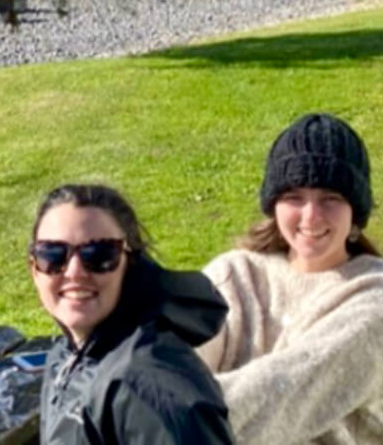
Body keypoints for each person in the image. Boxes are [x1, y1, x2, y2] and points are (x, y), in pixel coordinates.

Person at [197, 113, 383, 444]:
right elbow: (173, 357)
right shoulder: (234, 275)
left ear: (355, 211)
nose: (311, 216)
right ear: (273, 205)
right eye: (293, 197)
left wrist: (172, 415)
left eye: (331, 198)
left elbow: (293, 385)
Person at [31, 184, 234, 444]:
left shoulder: (150, 384)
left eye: (100, 254)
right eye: (53, 254)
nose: (74, 272)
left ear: (131, 264)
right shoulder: (69, 353)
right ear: (34, 269)